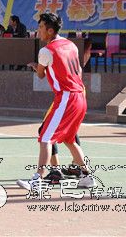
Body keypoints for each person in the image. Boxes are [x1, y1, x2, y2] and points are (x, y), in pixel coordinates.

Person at [17, 13, 94, 191]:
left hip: (66, 97)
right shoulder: (71, 45)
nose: (38, 31)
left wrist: (36, 67)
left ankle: (37, 180)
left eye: (41, 27)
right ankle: (87, 177)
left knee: (45, 137)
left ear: (50, 31)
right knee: (69, 140)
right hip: (80, 96)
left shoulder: (46, 51)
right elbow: (75, 70)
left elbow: (41, 74)